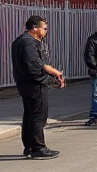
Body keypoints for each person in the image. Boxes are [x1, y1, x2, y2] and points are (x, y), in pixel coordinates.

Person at [12, 15, 65, 159]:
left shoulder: (21, 40)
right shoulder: (28, 42)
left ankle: (29, 146)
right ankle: (38, 148)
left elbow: (38, 64)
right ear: (35, 28)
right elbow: (34, 67)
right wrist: (50, 80)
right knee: (38, 116)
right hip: (34, 84)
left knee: (30, 115)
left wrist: (52, 71)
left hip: (25, 83)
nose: (46, 32)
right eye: (44, 28)